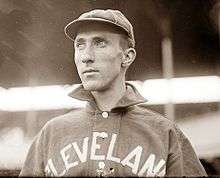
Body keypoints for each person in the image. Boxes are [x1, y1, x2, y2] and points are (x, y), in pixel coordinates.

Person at [19, 9, 207, 177]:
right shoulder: (52, 133)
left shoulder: (165, 133)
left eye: (100, 43)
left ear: (127, 56)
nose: (86, 57)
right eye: (80, 45)